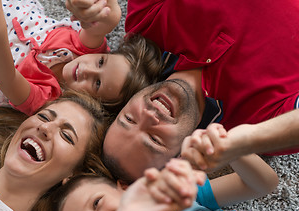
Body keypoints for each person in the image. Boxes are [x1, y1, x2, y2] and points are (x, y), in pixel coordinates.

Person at [66, 0, 299, 179]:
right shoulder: (262, 122)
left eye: (129, 118)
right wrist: (245, 141)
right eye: (154, 139)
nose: (149, 116)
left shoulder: (146, 24)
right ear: (180, 156)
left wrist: (96, 7)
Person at [0, 0, 162, 115]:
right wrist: (109, 14)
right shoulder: (86, 51)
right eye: (101, 62)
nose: (88, 68)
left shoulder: (47, 99)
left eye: (97, 83)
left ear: (91, 104)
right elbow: (102, 24)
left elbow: (4, 76)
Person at [35, 154, 278, 211]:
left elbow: (260, 186)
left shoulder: (180, 199)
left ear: (125, 187)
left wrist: (232, 150)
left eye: (97, 203)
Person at [181, 109, 299, 171]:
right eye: (161, 143)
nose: (161, 119)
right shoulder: (272, 126)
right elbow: (266, 184)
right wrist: (243, 142)